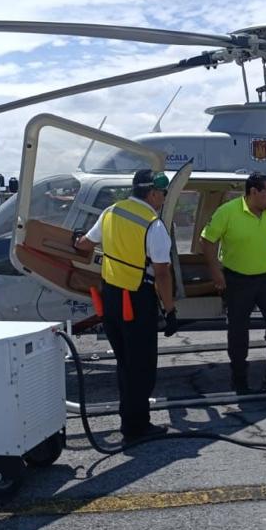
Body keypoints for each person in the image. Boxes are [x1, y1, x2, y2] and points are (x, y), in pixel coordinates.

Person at [75, 169, 177, 443]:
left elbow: (85, 243)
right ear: (153, 193)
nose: (164, 199)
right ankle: (136, 426)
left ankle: (130, 420)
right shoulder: (152, 224)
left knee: (124, 363)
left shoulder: (110, 212)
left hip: (111, 299)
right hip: (136, 299)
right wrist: (170, 310)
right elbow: (163, 273)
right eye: (163, 193)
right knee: (141, 365)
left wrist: (76, 239)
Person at [201, 172, 266, 396]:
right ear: (253, 192)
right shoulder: (227, 212)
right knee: (238, 330)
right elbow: (207, 241)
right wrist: (216, 273)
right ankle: (239, 378)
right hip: (238, 279)